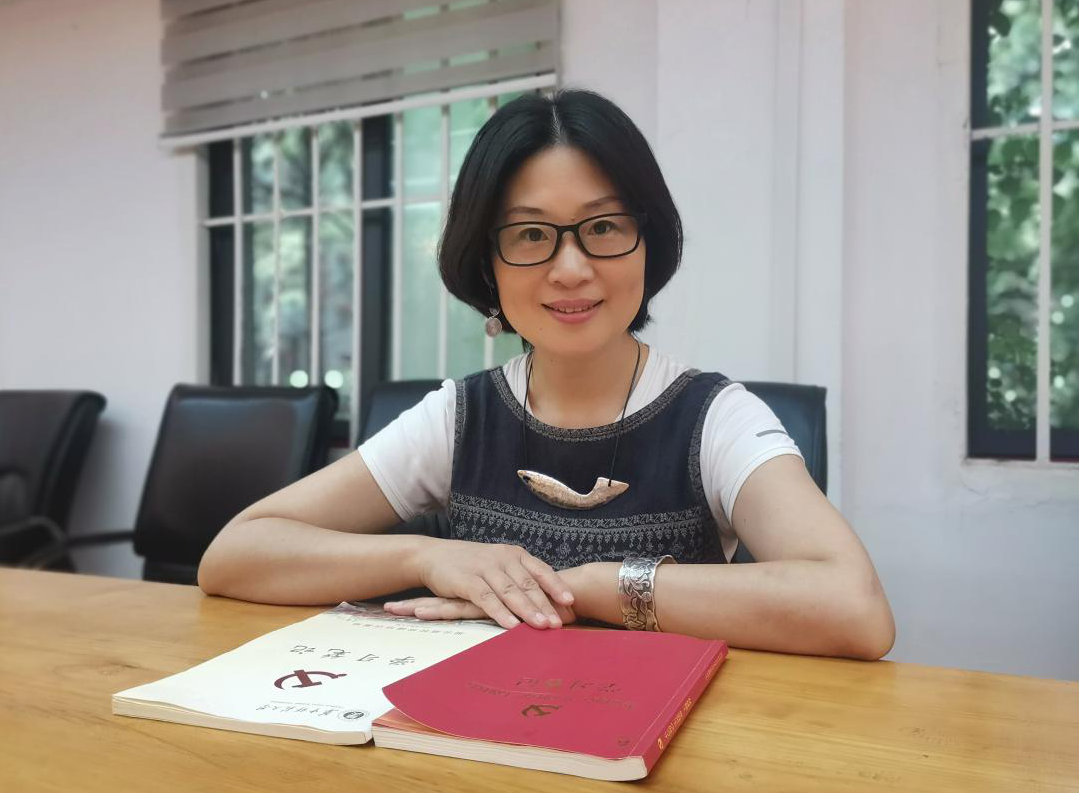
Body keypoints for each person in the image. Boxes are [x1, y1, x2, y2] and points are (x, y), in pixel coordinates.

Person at [198, 89, 894, 659]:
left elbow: (852, 606)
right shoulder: (460, 418)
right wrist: (425, 558)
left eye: (603, 226)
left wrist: (591, 588)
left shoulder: (716, 418)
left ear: (647, 243)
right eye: (531, 234)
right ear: (488, 265)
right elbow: (235, 554)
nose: (570, 268)